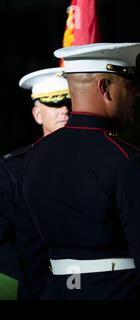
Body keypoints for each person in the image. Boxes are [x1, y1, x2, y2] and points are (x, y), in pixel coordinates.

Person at [16, 43, 140, 300]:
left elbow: (30, 259)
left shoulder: (32, 158)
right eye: (130, 86)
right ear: (105, 88)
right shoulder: (126, 161)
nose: (136, 95)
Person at [0, 67, 70, 299]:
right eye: (54, 103)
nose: (64, 110)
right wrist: (43, 274)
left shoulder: (99, 159)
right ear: (37, 114)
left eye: (69, 102)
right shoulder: (13, 169)